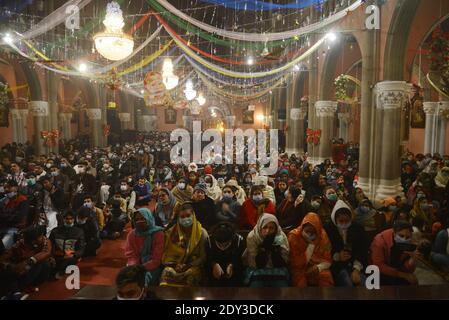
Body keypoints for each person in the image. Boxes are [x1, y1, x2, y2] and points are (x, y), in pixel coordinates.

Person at [160, 203, 207, 287]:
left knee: (191, 273)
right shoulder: (172, 233)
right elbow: (167, 254)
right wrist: (175, 265)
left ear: (193, 215)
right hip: (175, 266)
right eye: (182, 217)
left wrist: (188, 265)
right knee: (167, 271)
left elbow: (203, 256)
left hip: (193, 265)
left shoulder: (201, 233)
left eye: (188, 215)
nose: (186, 219)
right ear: (178, 218)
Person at [0, 225, 52, 300]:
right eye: (39, 236)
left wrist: (30, 260)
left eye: (41, 236)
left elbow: (46, 252)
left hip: (31, 268)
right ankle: (15, 291)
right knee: (10, 269)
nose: (42, 237)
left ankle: (28, 286)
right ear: (32, 240)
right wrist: (7, 264)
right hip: (20, 271)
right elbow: (7, 254)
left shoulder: (45, 241)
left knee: (45, 263)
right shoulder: (21, 243)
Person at [324, 200, 368, 287]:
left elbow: (362, 250)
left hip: (356, 263)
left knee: (364, 284)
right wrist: (337, 256)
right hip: (337, 266)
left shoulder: (358, 228)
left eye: (347, 221)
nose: (344, 224)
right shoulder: (328, 229)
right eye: (341, 221)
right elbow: (326, 249)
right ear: (335, 220)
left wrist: (356, 269)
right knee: (347, 283)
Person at [242, 214, 289, 287]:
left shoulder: (280, 236)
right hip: (257, 268)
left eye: (271, 228)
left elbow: (284, 260)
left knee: (282, 287)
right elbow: (253, 263)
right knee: (256, 287)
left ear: (276, 229)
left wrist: (274, 250)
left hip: (277, 269)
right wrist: (263, 249)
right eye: (265, 227)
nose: (268, 231)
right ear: (260, 227)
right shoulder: (253, 236)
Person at [288, 212, 334, 287]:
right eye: (307, 231)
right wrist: (310, 245)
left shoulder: (323, 237)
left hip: (317, 266)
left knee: (326, 277)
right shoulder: (294, 236)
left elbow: (328, 259)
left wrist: (318, 267)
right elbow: (294, 262)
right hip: (299, 269)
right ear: (302, 227)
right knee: (300, 282)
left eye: (312, 233)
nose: (309, 235)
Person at [370, 220, 418, 285]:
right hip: (378, 272)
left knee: (412, 282)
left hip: (397, 270)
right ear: (394, 233)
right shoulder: (380, 241)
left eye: (407, 237)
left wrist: (412, 260)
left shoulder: (409, 242)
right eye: (401, 236)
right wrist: (403, 275)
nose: (404, 239)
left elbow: (406, 268)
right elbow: (379, 265)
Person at [125, 208, 164, 286]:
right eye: (137, 219)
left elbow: (156, 259)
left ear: (149, 218)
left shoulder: (158, 234)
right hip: (136, 266)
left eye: (143, 218)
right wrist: (135, 267)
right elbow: (131, 255)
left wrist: (142, 268)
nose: (140, 221)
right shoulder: (132, 235)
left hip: (153, 266)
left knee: (146, 281)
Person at [206, 222, 245, 286]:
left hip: (234, 272)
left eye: (226, 244)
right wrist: (214, 264)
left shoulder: (238, 241)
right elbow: (208, 258)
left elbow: (240, 259)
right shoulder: (209, 241)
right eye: (220, 244)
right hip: (214, 274)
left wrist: (232, 265)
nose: (223, 247)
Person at [49, 211, 85, 278]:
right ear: (63, 219)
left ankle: (59, 272)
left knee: (66, 262)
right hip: (57, 255)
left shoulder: (79, 232)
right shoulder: (55, 231)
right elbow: (50, 244)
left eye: (71, 219)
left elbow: (81, 249)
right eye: (67, 219)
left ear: (74, 219)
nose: (69, 221)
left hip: (70, 256)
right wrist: (51, 255)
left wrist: (74, 255)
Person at [0, 180, 29, 250]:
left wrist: (4, 216)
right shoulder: (4, 200)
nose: (6, 189)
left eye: (9, 187)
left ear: (16, 188)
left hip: (15, 228)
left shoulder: (23, 200)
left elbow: (19, 218)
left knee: (3, 247)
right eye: (5, 187)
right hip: (3, 226)